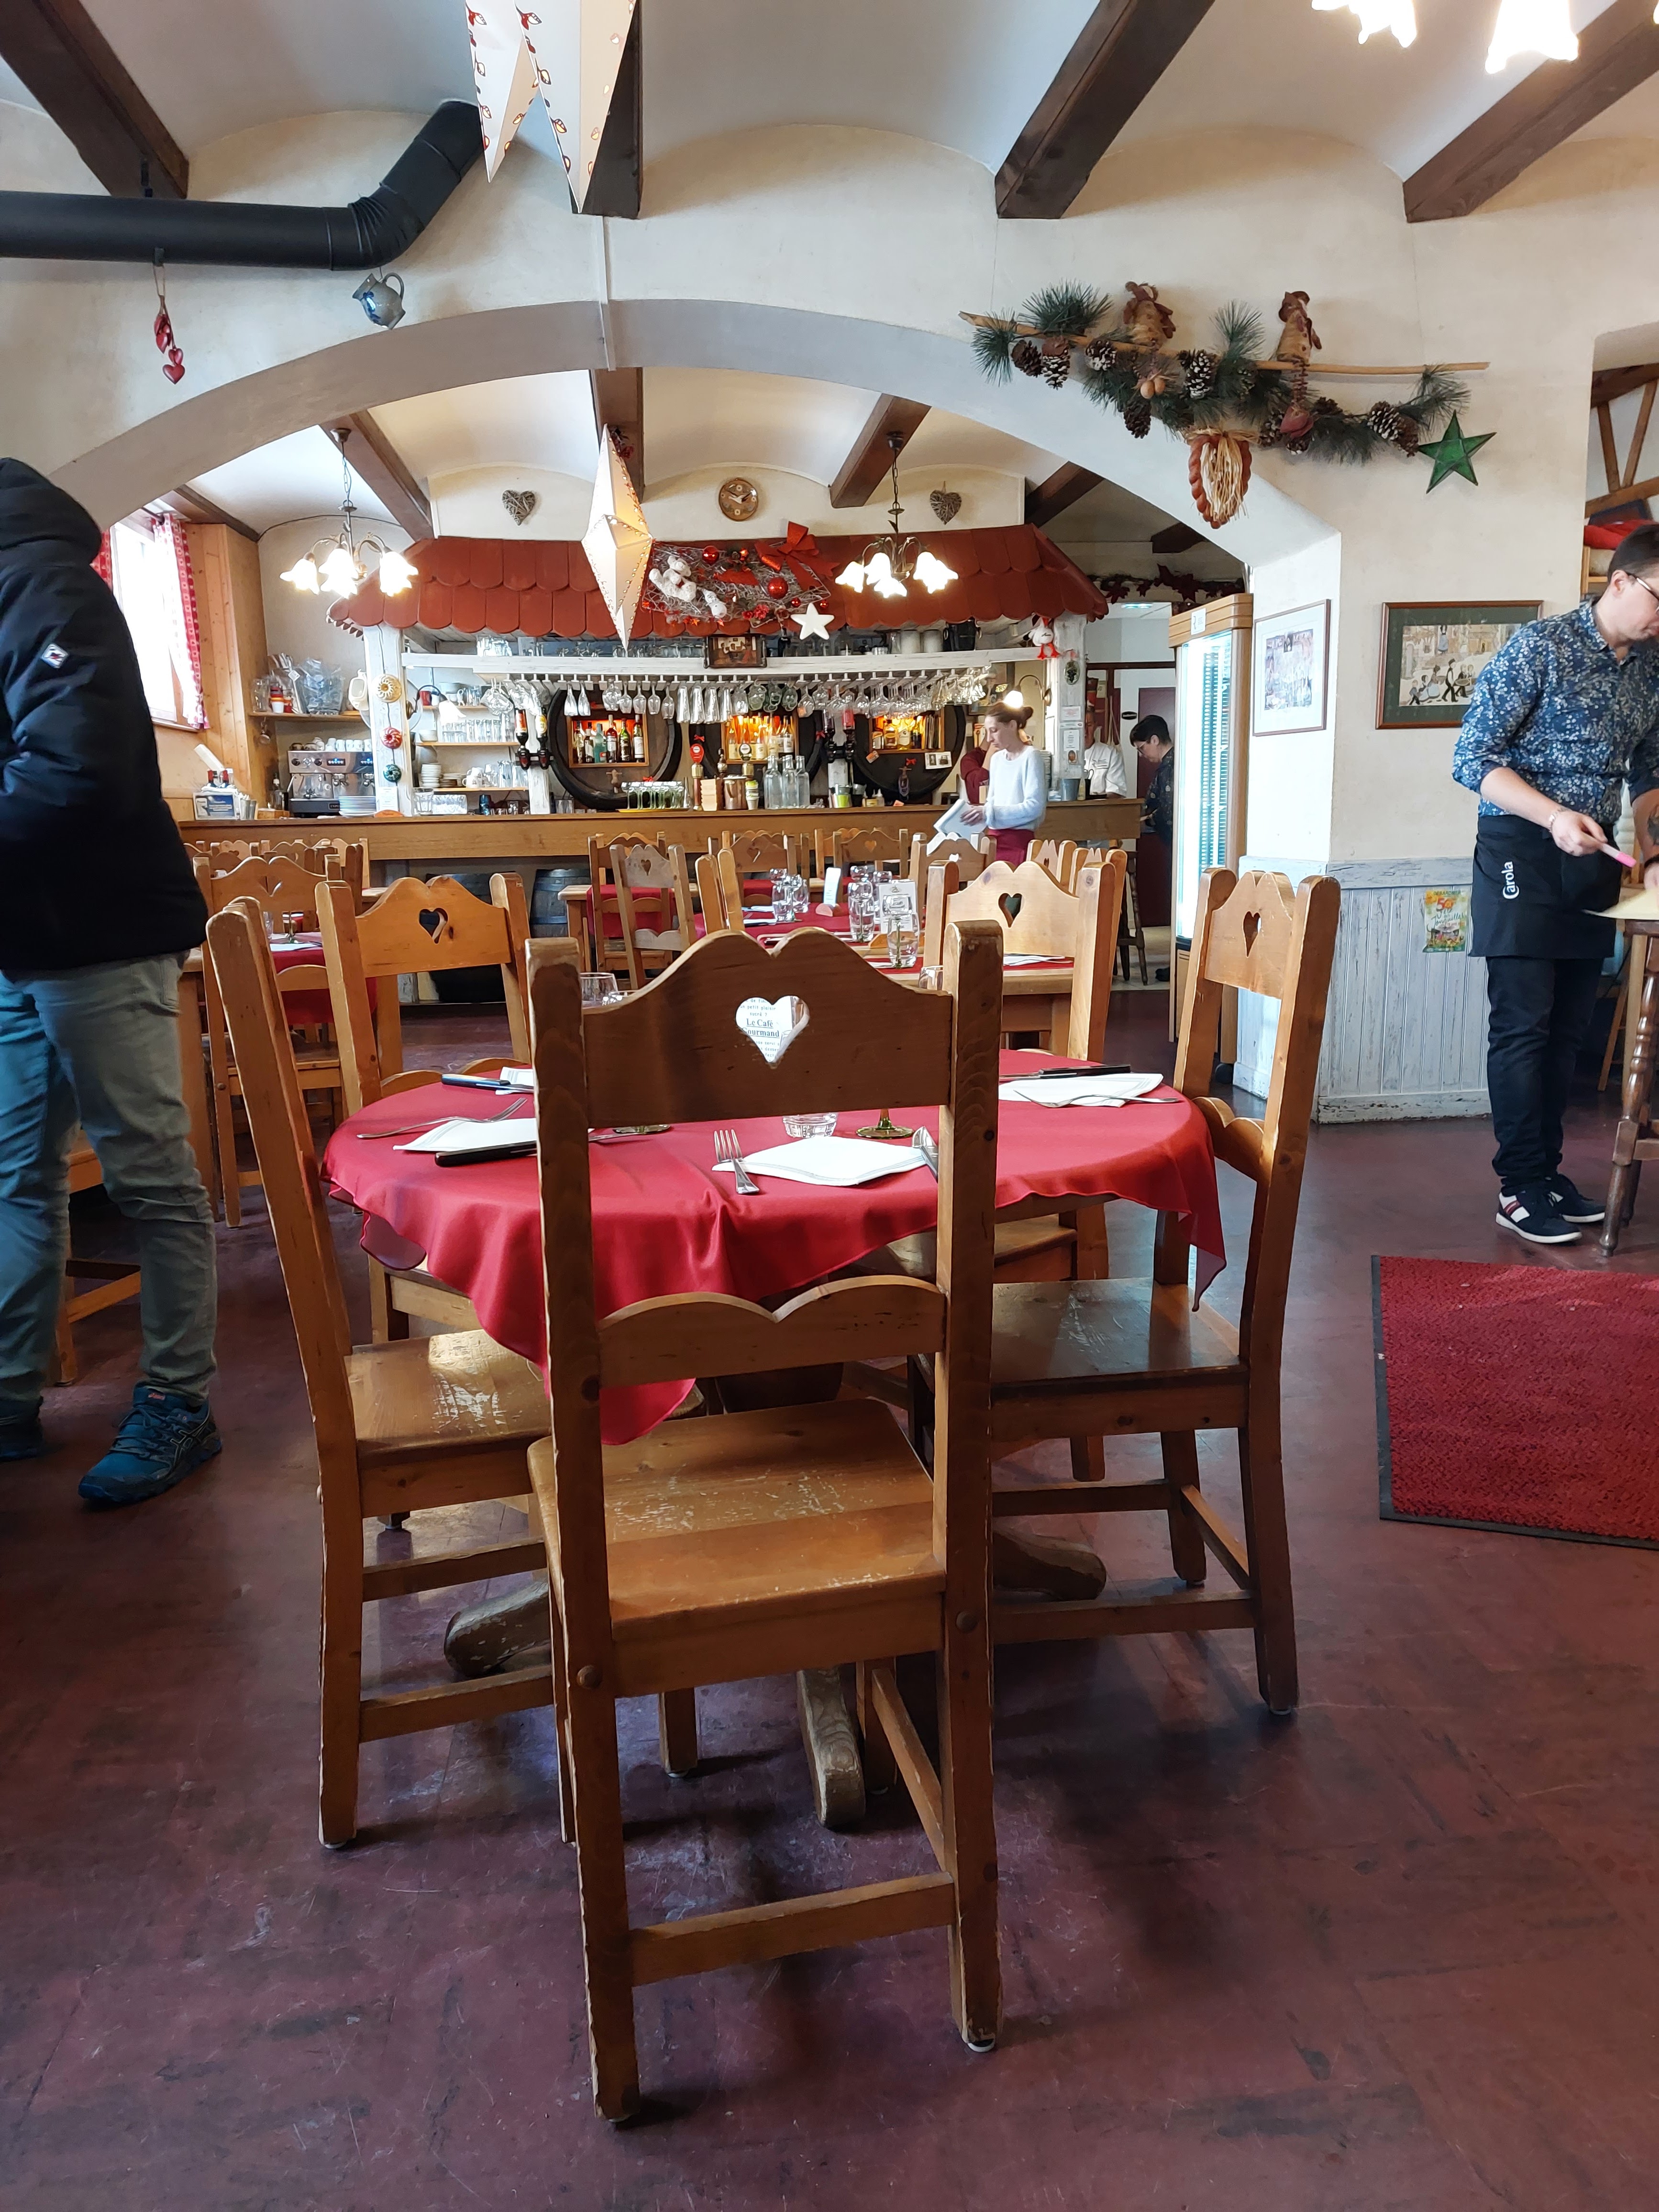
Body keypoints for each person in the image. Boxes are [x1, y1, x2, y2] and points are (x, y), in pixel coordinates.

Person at [0, 457, 221, 1502]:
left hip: (102, 931)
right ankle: (9, 1394)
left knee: (151, 1179)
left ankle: (181, 1399)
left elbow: (75, 771)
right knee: (14, 1176)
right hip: (18, 939)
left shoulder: (48, 587)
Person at [1453, 525, 1659, 1246]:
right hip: (1523, 848)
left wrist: (1654, 849)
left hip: (1596, 855)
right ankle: (1518, 1186)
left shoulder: (1652, 669)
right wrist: (1553, 816)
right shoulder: (1540, 648)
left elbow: (1650, 773)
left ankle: (1546, 1173)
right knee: (1523, 1023)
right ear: (1621, 581)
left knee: (1570, 1027)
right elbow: (1472, 758)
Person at [958, 704, 1046, 864]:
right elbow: (991, 802)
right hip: (993, 841)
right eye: (987, 732)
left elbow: (1035, 807)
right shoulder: (996, 759)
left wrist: (988, 812)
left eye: (994, 731)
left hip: (1019, 842)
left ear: (1012, 725)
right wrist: (978, 814)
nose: (989, 739)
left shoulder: (1031, 756)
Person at [1082, 727, 1128, 797]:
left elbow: (1116, 792)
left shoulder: (1110, 753)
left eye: (1089, 725)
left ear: (1095, 726)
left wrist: (1094, 798)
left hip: (1101, 804)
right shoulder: (1064, 754)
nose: (1085, 731)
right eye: (1080, 725)